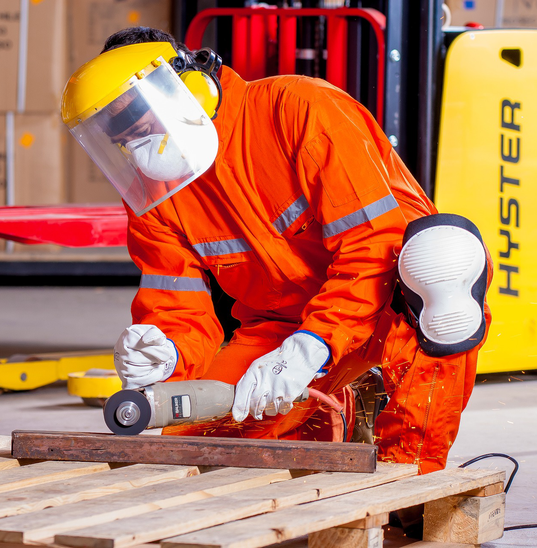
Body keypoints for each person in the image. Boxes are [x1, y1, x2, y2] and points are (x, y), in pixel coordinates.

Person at [61, 26, 492, 476]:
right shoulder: (154, 192)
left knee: (443, 261)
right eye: (122, 138)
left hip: (393, 302)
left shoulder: (300, 109)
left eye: (141, 125)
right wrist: (164, 348)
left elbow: (373, 246)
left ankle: (409, 475)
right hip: (282, 325)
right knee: (204, 451)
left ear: (185, 85)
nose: (135, 145)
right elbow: (176, 304)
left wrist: (311, 347)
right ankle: (340, 407)